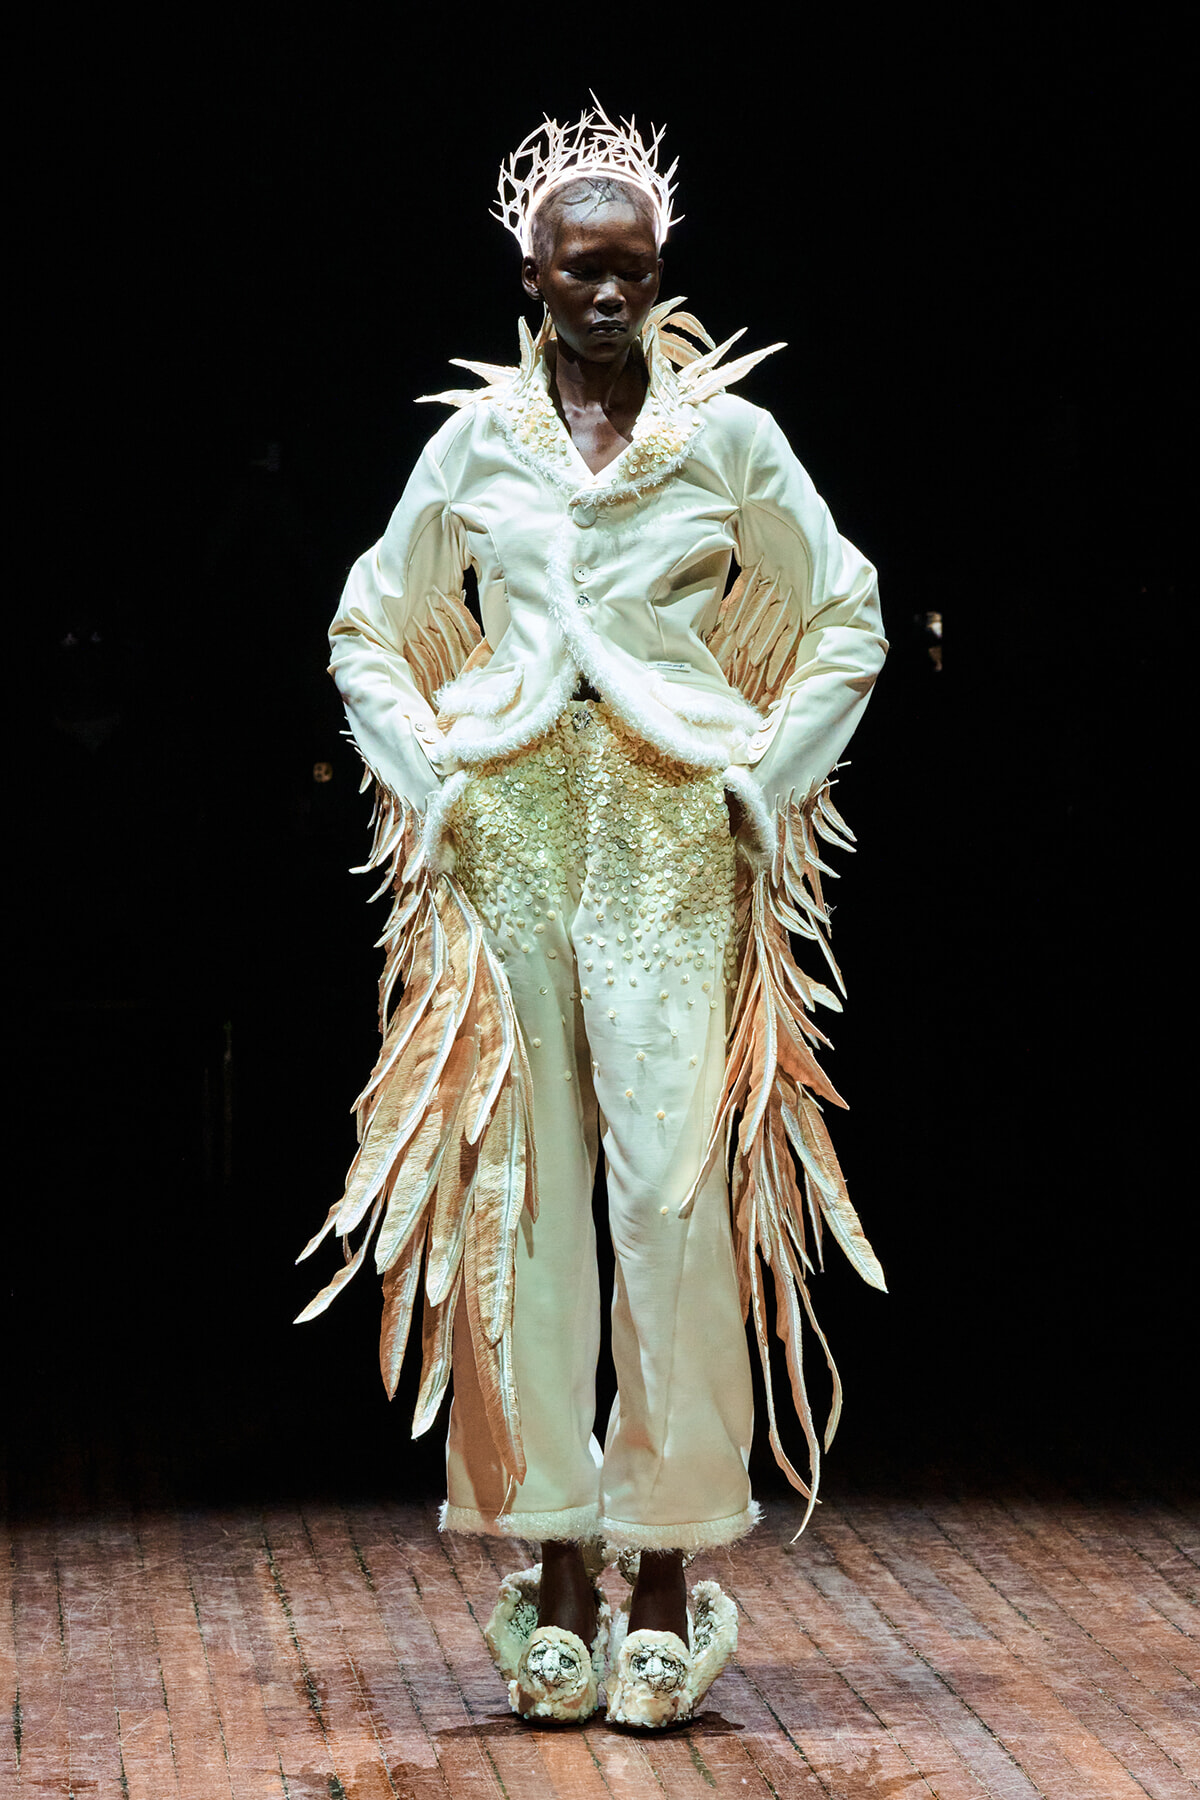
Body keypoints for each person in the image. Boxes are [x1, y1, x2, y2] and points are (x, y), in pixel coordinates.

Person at [297, 100, 887, 1728]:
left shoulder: (728, 443)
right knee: (527, 1197)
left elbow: (847, 611)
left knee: (673, 1198)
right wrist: (427, 765)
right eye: (580, 272)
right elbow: (372, 621)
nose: (609, 297)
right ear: (535, 275)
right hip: (511, 843)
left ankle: (668, 1563)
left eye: (632, 270)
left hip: (667, 846)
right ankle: (554, 1552)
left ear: (664, 268)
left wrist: (766, 775)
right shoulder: (478, 444)